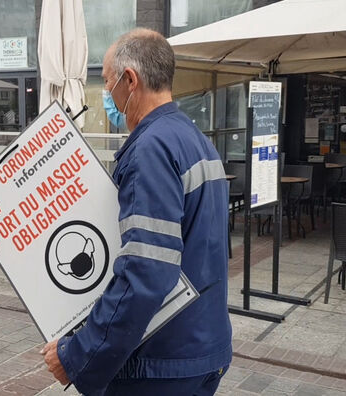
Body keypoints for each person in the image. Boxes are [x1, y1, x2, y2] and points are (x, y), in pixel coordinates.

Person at [40, 28, 233, 395]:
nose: (106, 95)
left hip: (162, 363)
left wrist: (78, 353)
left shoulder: (150, 149)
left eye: (107, 82)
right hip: (204, 345)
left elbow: (146, 271)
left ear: (130, 80)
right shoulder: (196, 139)